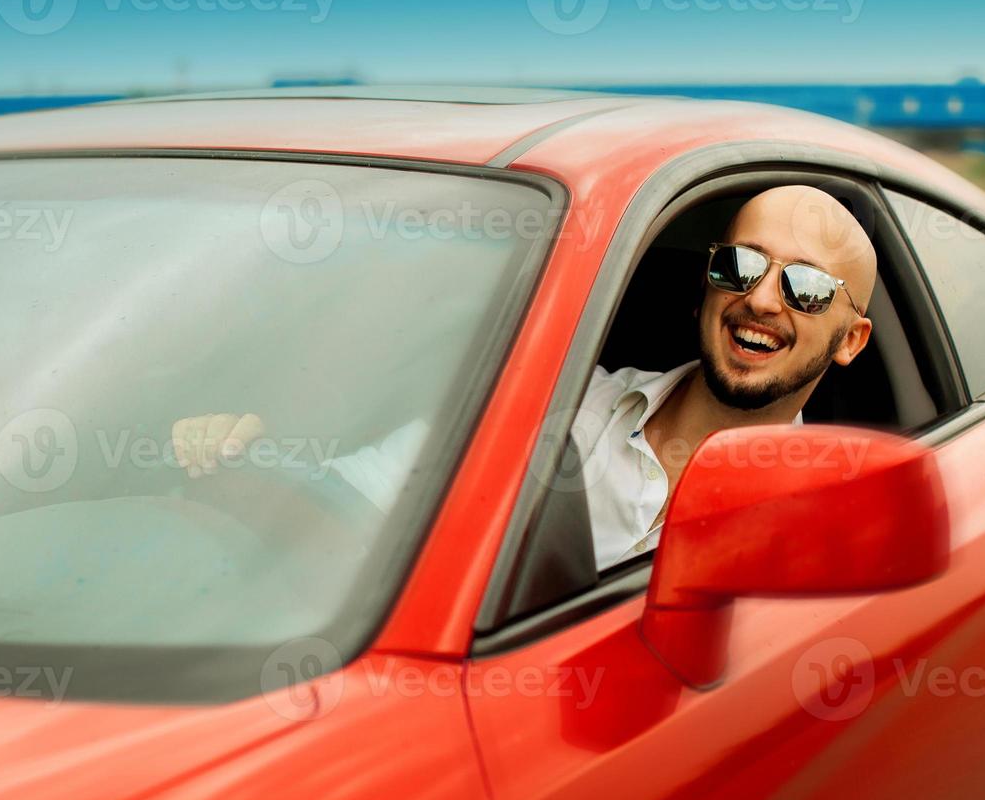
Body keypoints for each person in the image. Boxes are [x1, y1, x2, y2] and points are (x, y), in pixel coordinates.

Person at [171, 185, 876, 569]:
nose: (759, 298)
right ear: (706, 285)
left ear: (850, 340)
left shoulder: (832, 523)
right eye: (741, 265)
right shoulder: (554, 402)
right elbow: (358, 492)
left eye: (807, 287)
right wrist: (248, 459)